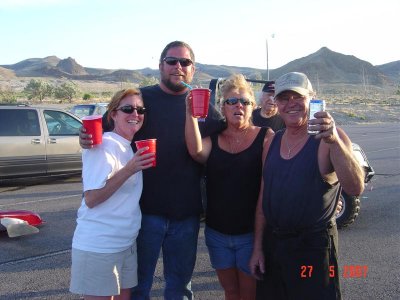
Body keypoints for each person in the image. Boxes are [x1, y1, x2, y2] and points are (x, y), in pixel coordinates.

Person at [79, 41, 224, 299]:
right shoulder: (141, 100)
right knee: (138, 287)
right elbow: (101, 128)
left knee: (180, 287)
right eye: (171, 61)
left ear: (193, 69)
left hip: (186, 214)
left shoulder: (202, 106)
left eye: (185, 62)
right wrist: (85, 137)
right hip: (145, 213)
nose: (178, 67)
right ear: (160, 66)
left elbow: (224, 135)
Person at [249, 72, 365, 300]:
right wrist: (258, 248)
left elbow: (355, 187)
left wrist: (334, 141)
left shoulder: (329, 138)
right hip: (275, 246)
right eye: (284, 97)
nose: (290, 103)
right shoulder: (272, 141)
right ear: (276, 104)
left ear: (312, 99)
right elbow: (264, 197)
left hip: (312, 249)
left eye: (297, 96)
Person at [185, 73, 274, 300]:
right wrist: (191, 114)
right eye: (231, 101)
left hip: (250, 234)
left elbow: (267, 191)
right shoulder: (214, 139)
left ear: (253, 106)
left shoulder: (265, 137)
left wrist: (259, 244)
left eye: (244, 101)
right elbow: (196, 151)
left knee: (249, 294)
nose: (238, 106)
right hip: (217, 234)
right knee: (231, 292)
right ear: (222, 107)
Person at [70, 88, 155, 300]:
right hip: (100, 245)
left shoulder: (127, 146)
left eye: (140, 109)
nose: (135, 114)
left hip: (125, 243)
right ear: (113, 115)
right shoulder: (103, 146)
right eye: (127, 109)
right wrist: (129, 169)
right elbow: (91, 199)